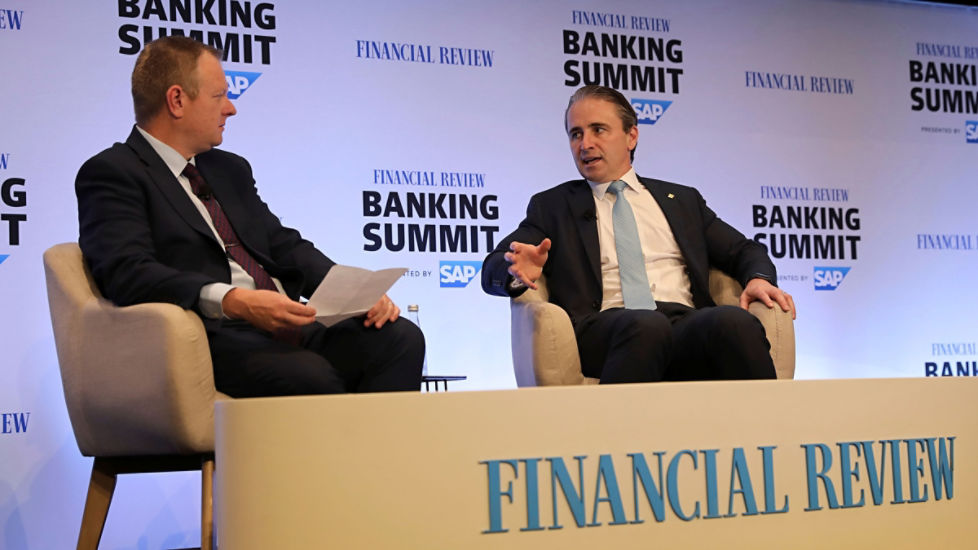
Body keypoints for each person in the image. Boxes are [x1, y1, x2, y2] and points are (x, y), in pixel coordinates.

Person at [76, 36, 423, 397]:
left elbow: (281, 244)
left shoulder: (228, 169)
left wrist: (355, 294)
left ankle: (376, 439)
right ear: (177, 100)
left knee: (399, 339)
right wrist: (233, 300)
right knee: (309, 375)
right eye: (219, 96)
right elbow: (127, 272)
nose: (231, 109)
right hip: (213, 335)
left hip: (287, 323)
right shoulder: (114, 172)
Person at [482, 85, 795, 384]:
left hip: (685, 322)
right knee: (646, 324)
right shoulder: (553, 206)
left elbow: (744, 250)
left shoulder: (682, 201)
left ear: (631, 136)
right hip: (606, 328)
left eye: (598, 130)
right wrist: (514, 270)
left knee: (734, 323)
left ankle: (770, 423)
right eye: (576, 134)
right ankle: (614, 425)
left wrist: (758, 279)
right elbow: (494, 265)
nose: (585, 144)